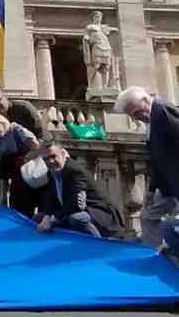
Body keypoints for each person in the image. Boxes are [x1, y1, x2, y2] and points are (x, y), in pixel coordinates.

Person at [114, 86, 179, 248]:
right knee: (148, 217)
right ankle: (154, 252)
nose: (136, 118)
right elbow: (158, 159)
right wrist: (150, 191)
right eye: (132, 115)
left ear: (145, 100)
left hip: (174, 182)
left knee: (162, 222)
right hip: (167, 184)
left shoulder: (163, 110)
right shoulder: (152, 119)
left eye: (136, 112)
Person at [36, 140, 124, 239]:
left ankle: (98, 244)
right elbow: (51, 199)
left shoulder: (75, 171)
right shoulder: (51, 172)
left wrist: (52, 218)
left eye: (53, 156)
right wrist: (47, 216)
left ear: (63, 154)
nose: (51, 161)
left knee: (77, 218)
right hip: (72, 211)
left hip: (98, 213)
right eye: (46, 159)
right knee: (38, 218)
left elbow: (76, 205)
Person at [0, 111, 40, 217]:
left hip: (31, 173)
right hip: (15, 179)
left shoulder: (16, 129)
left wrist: (23, 159)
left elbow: (37, 148)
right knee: (16, 208)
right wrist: (3, 197)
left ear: (1, 122)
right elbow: (3, 168)